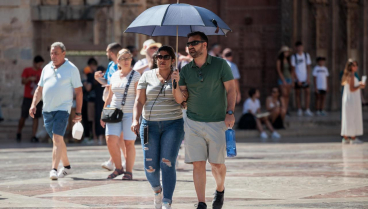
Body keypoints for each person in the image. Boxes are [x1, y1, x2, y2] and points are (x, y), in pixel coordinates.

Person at [177, 31, 236, 209]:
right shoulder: (185, 70)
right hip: (193, 122)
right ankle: (201, 203)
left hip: (217, 121)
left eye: (194, 43)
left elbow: (231, 90)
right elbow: (182, 99)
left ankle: (220, 189)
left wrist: (230, 112)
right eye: (188, 44)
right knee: (198, 164)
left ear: (205, 45)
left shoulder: (221, 65)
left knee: (217, 164)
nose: (190, 47)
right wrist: (175, 83)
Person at [131, 46, 184, 209]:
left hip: (173, 124)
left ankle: (167, 201)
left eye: (166, 57)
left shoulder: (180, 77)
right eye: (159, 56)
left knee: (167, 162)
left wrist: (175, 82)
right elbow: (139, 101)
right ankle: (157, 190)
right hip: (148, 125)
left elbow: (180, 101)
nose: (162, 59)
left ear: (172, 60)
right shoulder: (146, 75)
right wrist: (135, 120)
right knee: (150, 166)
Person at [29, 42, 83, 180]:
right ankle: (67, 167)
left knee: (57, 138)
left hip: (62, 109)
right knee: (57, 140)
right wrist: (33, 104)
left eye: (56, 53)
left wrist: (78, 112)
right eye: (52, 53)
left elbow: (79, 91)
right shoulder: (46, 68)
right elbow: (39, 89)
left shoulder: (72, 69)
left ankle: (53, 169)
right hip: (47, 110)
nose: (53, 56)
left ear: (64, 53)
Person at [100, 49, 141, 180]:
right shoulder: (115, 75)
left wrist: (137, 117)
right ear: (118, 61)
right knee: (110, 140)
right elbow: (110, 95)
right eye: (123, 58)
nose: (126, 60)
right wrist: (103, 111)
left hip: (130, 113)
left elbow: (138, 98)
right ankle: (118, 168)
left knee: (129, 142)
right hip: (114, 112)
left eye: (128, 58)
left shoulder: (136, 75)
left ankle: (129, 171)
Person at [95, 43, 127, 171]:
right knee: (114, 135)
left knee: (119, 135)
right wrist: (98, 79)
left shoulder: (123, 67)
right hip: (110, 102)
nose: (107, 54)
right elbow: (107, 83)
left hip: (120, 103)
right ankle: (115, 160)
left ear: (112, 53)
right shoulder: (110, 66)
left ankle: (119, 160)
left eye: (108, 52)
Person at [17, 55, 45, 143]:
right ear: (34, 63)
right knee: (23, 116)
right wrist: (29, 78)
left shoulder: (42, 72)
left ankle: (34, 135)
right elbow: (22, 81)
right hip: (28, 97)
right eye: (39, 64)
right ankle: (19, 131)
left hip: (37, 98)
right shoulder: (27, 70)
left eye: (41, 64)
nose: (40, 66)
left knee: (36, 117)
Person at [341, 59, 365, 144]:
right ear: (350, 66)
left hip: (350, 99)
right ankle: (353, 138)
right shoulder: (351, 75)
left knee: (348, 117)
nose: (356, 67)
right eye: (354, 65)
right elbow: (352, 89)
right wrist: (359, 85)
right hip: (351, 100)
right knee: (352, 117)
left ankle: (346, 137)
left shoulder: (349, 75)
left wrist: (359, 85)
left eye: (356, 65)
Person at [291, 41, 313, 116]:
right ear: (296, 48)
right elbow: (293, 69)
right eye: (298, 47)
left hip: (305, 77)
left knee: (307, 92)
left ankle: (307, 109)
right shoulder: (294, 57)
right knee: (298, 94)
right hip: (298, 78)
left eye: (301, 47)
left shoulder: (306, 55)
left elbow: (308, 67)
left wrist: (308, 77)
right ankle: (299, 108)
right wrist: (297, 79)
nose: (300, 48)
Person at [276, 46, 293, 114]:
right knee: (283, 94)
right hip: (282, 79)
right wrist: (283, 80)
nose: (287, 53)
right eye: (286, 52)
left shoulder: (289, 60)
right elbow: (279, 70)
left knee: (287, 95)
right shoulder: (279, 60)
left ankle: (286, 108)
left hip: (289, 78)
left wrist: (291, 78)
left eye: (288, 52)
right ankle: (283, 108)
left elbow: (292, 69)